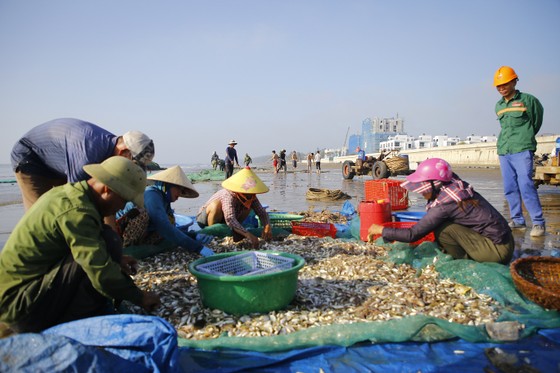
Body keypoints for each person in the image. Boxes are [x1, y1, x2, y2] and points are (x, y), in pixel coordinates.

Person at [0, 157, 161, 335]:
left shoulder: (73, 195)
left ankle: (71, 314)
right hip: (18, 306)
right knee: (108, 245)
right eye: (124, 200)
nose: (122, 206)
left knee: (106, 240)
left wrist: (119, 259)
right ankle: (72, 323)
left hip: (27, 291)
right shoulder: (77, 211)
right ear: (107, 189)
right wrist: (140, 297)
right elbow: (100, 272)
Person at [367, 158, 514, 264]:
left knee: (442, 229)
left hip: (497, 251)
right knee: (442, 224)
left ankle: (464, 261)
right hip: (505, 241)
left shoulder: (445, 204)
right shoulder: (456, 188)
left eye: (422, 189)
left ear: (434, 185)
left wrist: (381, 229)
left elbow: (412, 234)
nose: (421, 193)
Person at [11, 118, 155, 211]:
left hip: (58, 164)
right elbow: (76, 200)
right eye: (132, 163)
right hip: (31, 157)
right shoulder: (88, 153)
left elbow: (105, 197)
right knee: (42, 213)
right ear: (123, 150)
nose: (131, 169)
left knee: (61, 208)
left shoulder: (110, 150)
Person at [116, 166, 215, 257]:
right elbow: (163, 226)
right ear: (168, 185)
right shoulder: (151, 194)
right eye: (179, 190)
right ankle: (128, 248)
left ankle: (142, 245)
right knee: (143, 215)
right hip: (119, 233)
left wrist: (194, 235)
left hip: (142, 236)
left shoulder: (165, 201)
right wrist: (197, 248)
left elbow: (170, 227)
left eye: (183, 192)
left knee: (170, 219)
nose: (180, 194)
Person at [493, 66, 545, 237]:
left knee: (526, 185)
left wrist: (526, 136)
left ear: (514, 81)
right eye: (498, 86)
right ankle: (517, 220)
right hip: (505, 150)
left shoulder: (528, 100)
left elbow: (536, 120)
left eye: (505, 84)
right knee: (509, 187)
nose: (501, 88)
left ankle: (538, 223)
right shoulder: (498, 106)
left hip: (522, 149)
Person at [196, 167, 272, 248]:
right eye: (247, 194)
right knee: (216, 205)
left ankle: (236, 231)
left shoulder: (251, 196)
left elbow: (261, 212)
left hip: (228, 220)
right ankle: (214, 234)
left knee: (249, 207)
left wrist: (267, 226)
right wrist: (248, 235)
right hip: (205, 219)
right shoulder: (228, 194)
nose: (250, 196)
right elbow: (230, 218)